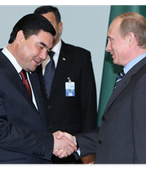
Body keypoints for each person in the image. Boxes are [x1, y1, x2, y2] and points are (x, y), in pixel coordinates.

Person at [57, 11, 146, 164]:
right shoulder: (133, 76)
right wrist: (74, 141)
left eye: (111, 40)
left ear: (130, 39)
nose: (107, 47)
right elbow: (114, 132)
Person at [0, 13, 76, 165]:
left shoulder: (31, 73)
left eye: (48, 50)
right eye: (41, 46)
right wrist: (50, 142)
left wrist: (53, 137)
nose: (44, 56)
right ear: (20, 37)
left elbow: (31, 123)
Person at [34, 5, 97, 165]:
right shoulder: (31, 60)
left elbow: (88, 107)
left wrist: (88, 149)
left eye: (49, 24)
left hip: (71, 151)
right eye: (40, 25)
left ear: (59, 27)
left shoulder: (80, 57)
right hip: (38, 149)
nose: (45, 29)